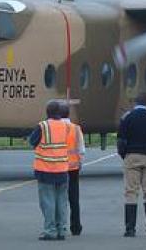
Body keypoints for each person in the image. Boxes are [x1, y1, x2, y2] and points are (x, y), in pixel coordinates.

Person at [117, 92, 146, 238]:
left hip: (132, 156)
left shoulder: (127, 118)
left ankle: (130, 229)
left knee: (131, 192)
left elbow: (121, 141)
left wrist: (124, 155)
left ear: (135, 103)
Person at [29, 100, 70, 241]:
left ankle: (50, 230)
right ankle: (62, 229)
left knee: (48, 201)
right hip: (62, 168)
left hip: (45, 169)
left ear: (47, 112)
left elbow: (32, 141)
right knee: (62, 202)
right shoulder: (66, 126)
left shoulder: (43, 126)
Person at [59, 101, 85, 236]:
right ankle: (76, 226)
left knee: (60, 197)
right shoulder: (76, 128)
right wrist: (80, 162)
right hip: (73, 167)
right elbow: (81, 149)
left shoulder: (54, 128)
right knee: (74, 198)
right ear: (69, 114)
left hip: (58, 166)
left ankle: (60, 225)